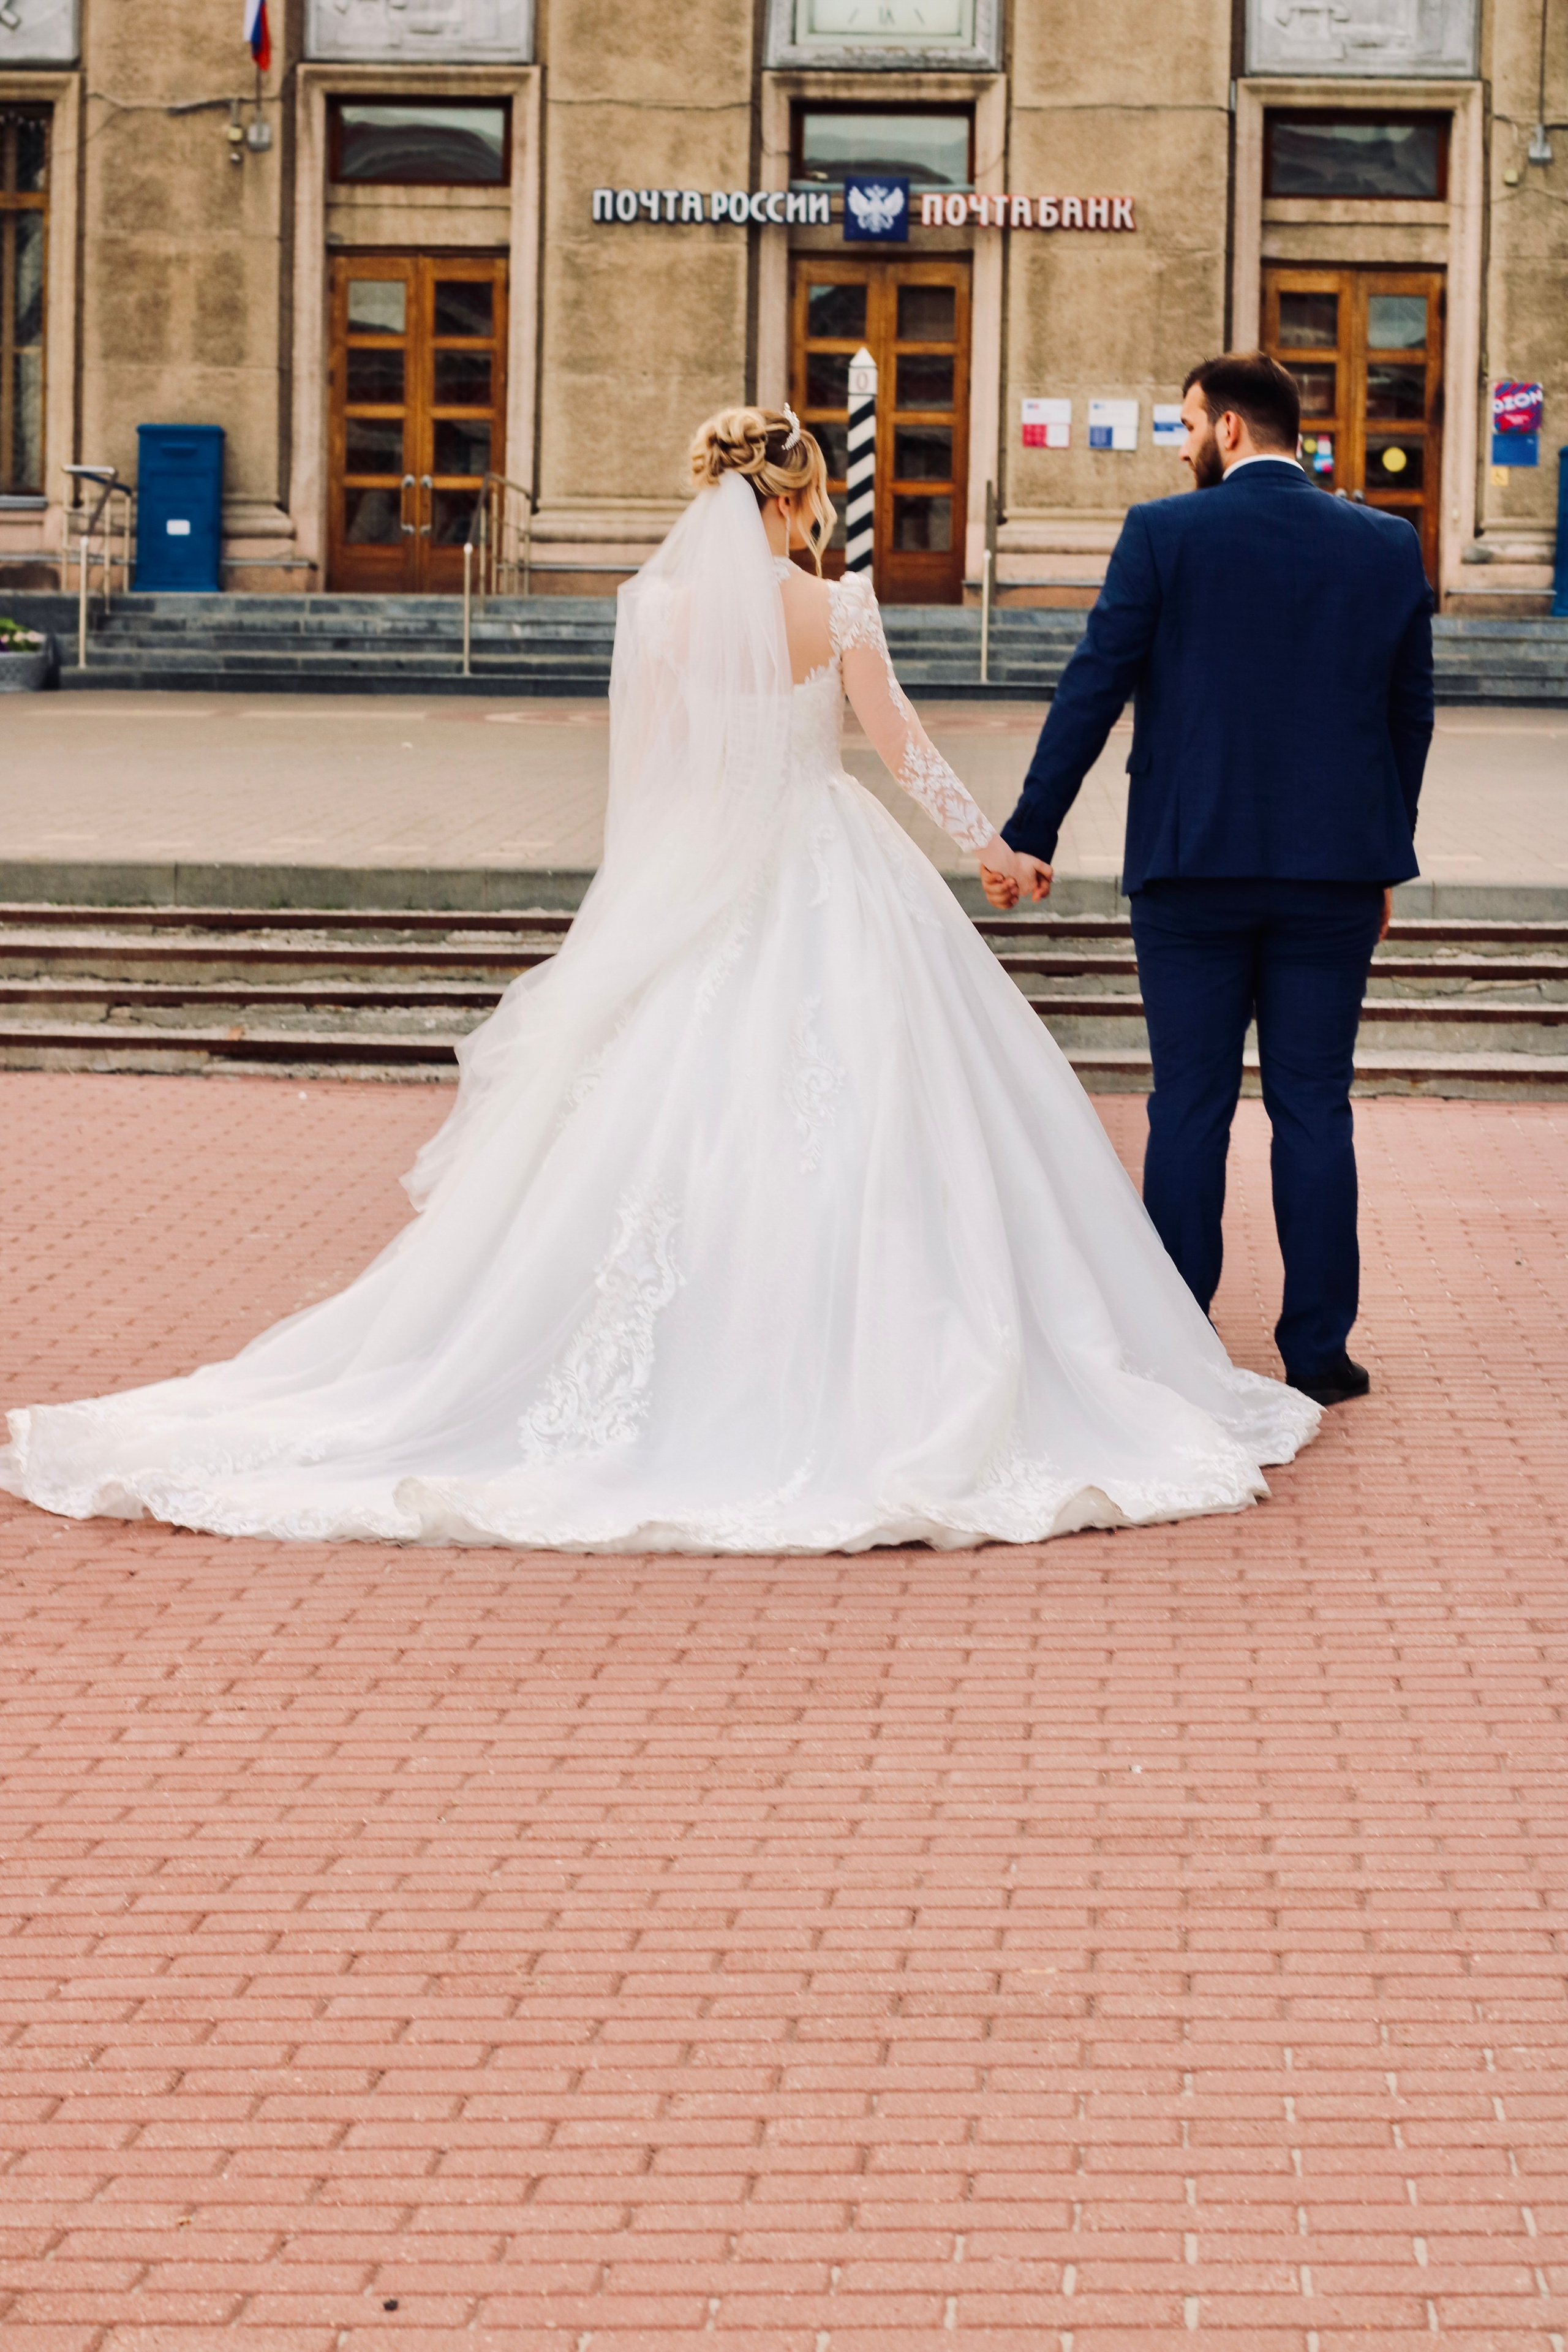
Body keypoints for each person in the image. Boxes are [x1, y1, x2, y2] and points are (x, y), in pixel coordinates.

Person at [0, 408, 1318, 1553]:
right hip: (824, 863)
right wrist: (991, 851)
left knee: (657, 1116)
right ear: (798, 499)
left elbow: (666, 775)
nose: (815, 523)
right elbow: (896, 742)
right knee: (880, 1112)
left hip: (698, 872)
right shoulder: (834, 602)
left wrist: (663, 884)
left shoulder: (661, 610)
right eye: (813, 504)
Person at [986, 353, 1433, 1408]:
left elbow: (1093, 686)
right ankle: (1318, 1353)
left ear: (1229, 429)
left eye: (1187, 423)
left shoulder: (1165, 535)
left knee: (1189, 1105)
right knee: (1315, 1107)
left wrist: (1029, 831)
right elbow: (1408, 716)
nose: (1180, 443)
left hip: (1192, 870)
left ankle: (1181, 1339)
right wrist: (1381, 853)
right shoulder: (1385, 544)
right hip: (1332, 873)